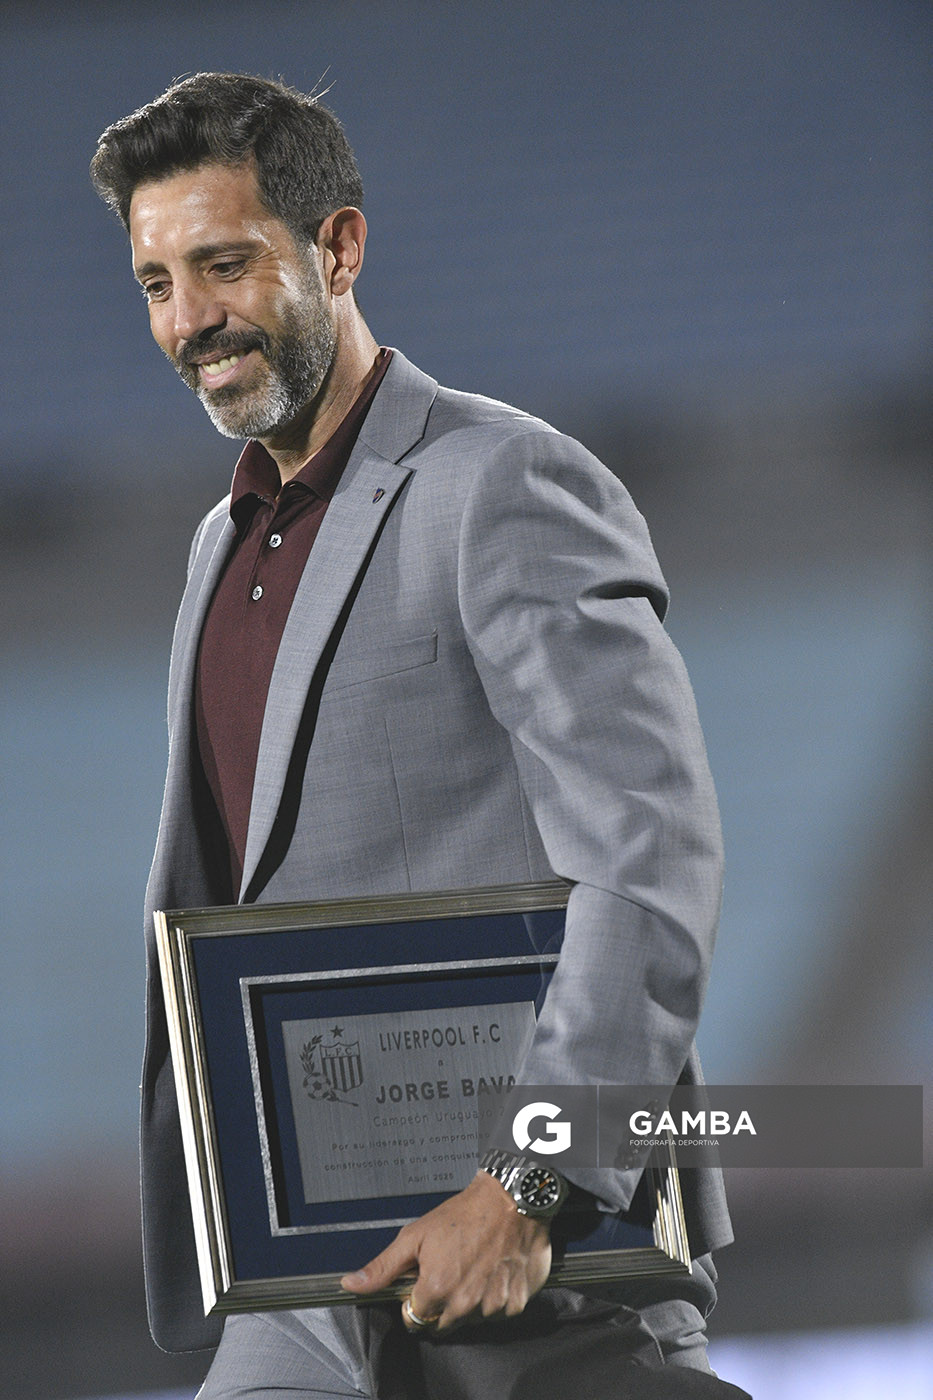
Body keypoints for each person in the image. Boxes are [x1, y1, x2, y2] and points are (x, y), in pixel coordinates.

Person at [91, 73, 741, 1400]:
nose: (190, 319)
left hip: (527, 1263)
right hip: (302, 1276)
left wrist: (530, 1179)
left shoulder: (500, 484)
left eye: (224, 264)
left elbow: (647, 861)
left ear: (337, 246)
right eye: (157, 282)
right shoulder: (221, 544)